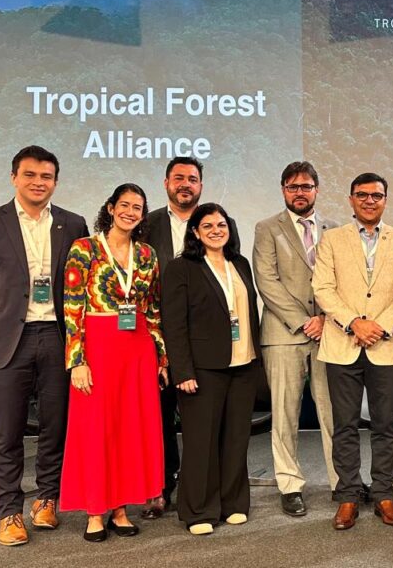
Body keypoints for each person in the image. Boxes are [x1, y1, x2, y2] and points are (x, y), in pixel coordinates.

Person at [0, 146, 89, 546]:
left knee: (55, 427)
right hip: (7, 342)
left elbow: (80, 281)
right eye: (30, 175)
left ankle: (47, 498)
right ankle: (10, 511)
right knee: (8, 434)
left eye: (46, 176)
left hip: (57, 337)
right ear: (14, 177)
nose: (38, 182)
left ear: (55, 182)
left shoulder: (73, 223)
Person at [312, 173, 393, 530]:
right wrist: (353, 323)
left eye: (377, 195)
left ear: (385, 199)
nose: (370, 200)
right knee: (343, 426)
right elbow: (323, 288)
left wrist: (380, 325)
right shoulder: (331, 239)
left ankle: (384, 495)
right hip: (342, 344)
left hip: (386, 346)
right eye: (362, 195)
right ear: (350, 199)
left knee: (385, 426)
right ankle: (347, 497)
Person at [61, 183, 167, 541]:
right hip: (98, 348)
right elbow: (72, 307)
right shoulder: (84, 249)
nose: (131, 212)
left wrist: (160, 356)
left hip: (136, 349)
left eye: (138, 207)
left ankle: (120, 508)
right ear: (110, 207)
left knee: (127, 430)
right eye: (125, 205)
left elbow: (152, 310)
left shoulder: (148, 254)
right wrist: (77, 360)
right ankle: (95, 510)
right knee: (95, 430)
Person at [143, 156, 239, 519]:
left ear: (201, 185)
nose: (186, 184)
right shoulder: (146, 225)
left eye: (193, 179)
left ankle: (203, 488)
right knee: (159, 415)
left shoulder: (213, 225)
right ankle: (161, 486)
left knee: (205, 419)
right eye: (179, 178)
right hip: (154, 335)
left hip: (203, 342)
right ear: (166, 182)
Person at [161, 203, 260, 535]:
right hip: (202, 369)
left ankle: (233, 503)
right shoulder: (181, 268)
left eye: (221, 224)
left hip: (243, 364)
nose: (216, 230)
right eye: (208, 226)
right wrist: (182, 371)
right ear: (195, 232)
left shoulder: (240, 263)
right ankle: (199, 510)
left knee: (235, 439)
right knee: (201, 442)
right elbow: (174, 325)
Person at [252, 161, 340, 516]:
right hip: (284, 334)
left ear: (316, 189)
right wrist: (306, 322)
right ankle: (290, 484)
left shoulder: (335, 229)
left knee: (333, 412)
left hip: (330, 334)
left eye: (305, 186)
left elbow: (343, 280)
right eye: (292, 187)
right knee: (285, 414)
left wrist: (325, 319)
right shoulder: (266, 228)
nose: (299, 192)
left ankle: (341, 480)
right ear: (283, 190)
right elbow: (266, 281)